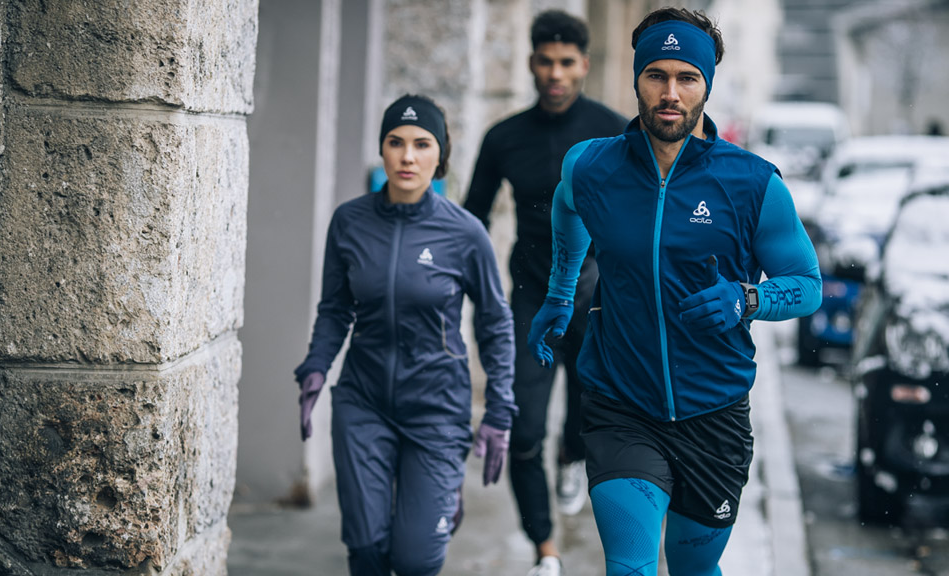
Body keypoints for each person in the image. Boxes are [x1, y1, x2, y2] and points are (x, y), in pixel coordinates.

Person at [526, 8, 822, 576]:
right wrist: (561, 295)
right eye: (655, 75)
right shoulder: (593, 167)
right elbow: (568, 211)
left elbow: (808, 287)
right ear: (635, 80)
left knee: (693, 570)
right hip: (620, 403)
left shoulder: (754, 183)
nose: (670, 92)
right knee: (631, 567)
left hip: (714, 413)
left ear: (706, 84)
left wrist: (747, 299)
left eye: (686, 77)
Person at [295, 94, 517, 576]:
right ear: (382, 149)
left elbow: (495, 322)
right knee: (368, 549)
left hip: (437, 408)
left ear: (441, 156)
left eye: (422, 144)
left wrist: (500, 408)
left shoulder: (465, 233)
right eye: (395, 142)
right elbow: (335, 308)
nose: (407, 156)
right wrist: (316, 366)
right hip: (364, 400)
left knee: (416, 560)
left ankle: (437, 500)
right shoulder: (349, 221)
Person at [462, 10, 626, 575]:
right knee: (522, 429)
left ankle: (572, 457)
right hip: (530, 302)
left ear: (583, 65)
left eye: (566, 63)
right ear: (531, 63)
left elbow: (639, 218)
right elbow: (472, 221)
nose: (555, 73)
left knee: (586, 421)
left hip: (598, 302)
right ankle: (544, 549)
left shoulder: (611, 131)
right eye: (545, 61)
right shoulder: (504, 137)